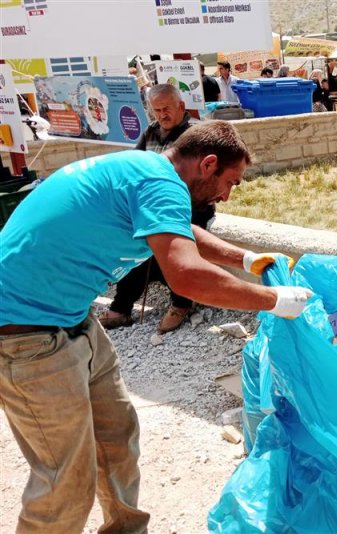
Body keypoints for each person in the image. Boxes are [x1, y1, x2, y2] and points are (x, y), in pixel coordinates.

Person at [0, 120, 312, 533]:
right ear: (209, 164)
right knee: (65, 478)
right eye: (230, 182)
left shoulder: (149, 171)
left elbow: (182, 233)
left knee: (116, 438)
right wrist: (273, 301)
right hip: (25, 335)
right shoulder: (158, 183)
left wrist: (245, 258)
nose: (226, 195)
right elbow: (186, 276)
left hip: (71, 318)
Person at [97, 84, 213, 333]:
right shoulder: (151, 131)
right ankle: (121, 307)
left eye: (166, 109)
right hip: (154, 206)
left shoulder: (197, 135)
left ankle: (181, 302)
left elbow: (202, 182)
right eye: (157, 110)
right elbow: (136, 164)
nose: (162, 115)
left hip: (189, 206)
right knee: (132, 242)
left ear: (181, 106)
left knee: (171, 246)